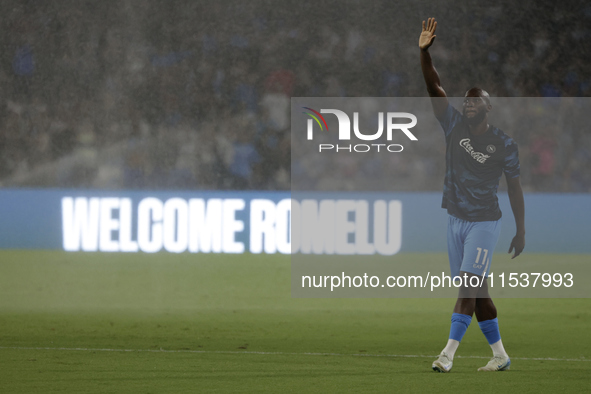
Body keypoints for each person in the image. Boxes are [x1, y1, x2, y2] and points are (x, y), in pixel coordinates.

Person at [419, 18, 526, 372]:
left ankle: (447, 354)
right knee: (479, 295)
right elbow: (435, 88)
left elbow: (514, 187)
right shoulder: (452, 126)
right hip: (455, 221)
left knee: (467, 287)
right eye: (465, 101)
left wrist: (520, 229)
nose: (467, 105)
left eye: (474, 102)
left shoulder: (503, 144)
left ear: (487, 107)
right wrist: (424, 54)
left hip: (484, 222)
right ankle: (501, 355)